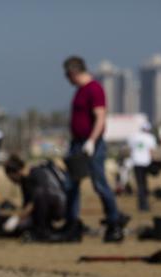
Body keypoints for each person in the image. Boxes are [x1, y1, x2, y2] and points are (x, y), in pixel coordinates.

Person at [62, 56, 129, 242]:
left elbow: (100, 117)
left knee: (99, 184)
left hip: (92, 144)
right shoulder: (79, 90)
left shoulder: (94, 89)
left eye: (67, 75)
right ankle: (71, 223)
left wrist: (92, 141)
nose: (67, 79)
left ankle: (114, 221)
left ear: (74, 72)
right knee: (70, 184)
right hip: (76, 143)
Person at [2, 154, 76, 241]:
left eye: (10, 177)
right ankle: (44, 227)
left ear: (15, 173)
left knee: (39, 195)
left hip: (57, 207)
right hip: (56, 205)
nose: (11, 181)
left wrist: (17, 219)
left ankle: (43, 231)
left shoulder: (33, 176)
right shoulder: (31, 175)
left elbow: (32, 204)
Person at [127, 122, 157, 213]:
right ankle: (145, 204)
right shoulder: (150, 137)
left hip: (136, 162)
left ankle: (141, 204)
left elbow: (130, 149)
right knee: (144, 183)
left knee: (140, 184)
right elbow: (151, 151)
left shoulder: (134, 136)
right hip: (146, 162)